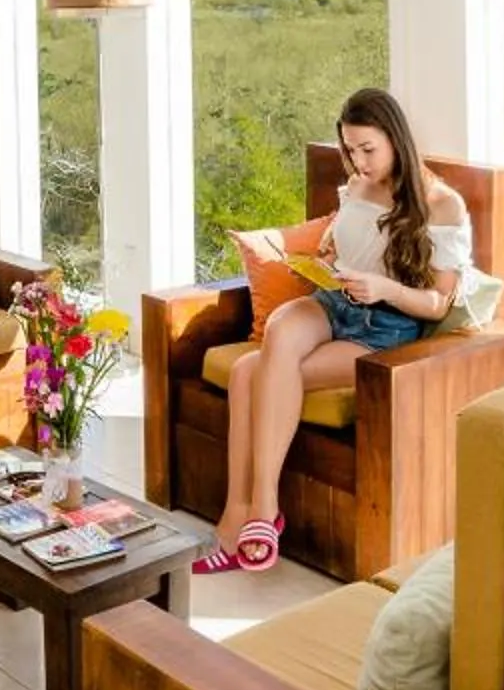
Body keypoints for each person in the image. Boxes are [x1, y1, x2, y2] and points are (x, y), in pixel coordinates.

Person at [202, 86, 477, 573]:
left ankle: (239, 522)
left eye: (367, 149)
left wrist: (384, 289)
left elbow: (436, 304)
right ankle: (261, 509)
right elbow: (343, 244)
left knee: (248, 374)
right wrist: (328, 256)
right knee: (285, 324)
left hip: (383, 329)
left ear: (396, 140)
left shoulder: (443, 206)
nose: (358, 161)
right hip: (334, 303)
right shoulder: (355, 187)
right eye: (350, 150)